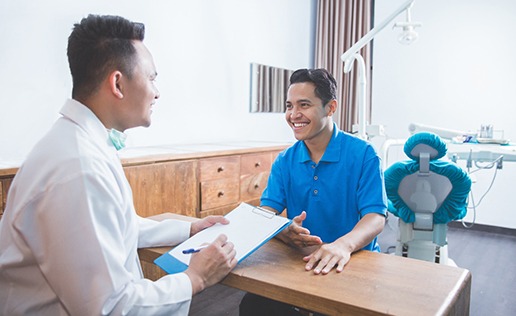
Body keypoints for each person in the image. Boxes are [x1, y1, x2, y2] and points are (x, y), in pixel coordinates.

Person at [0, 14, 237, 315]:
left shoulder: (82, 142)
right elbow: (110, 308)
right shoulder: (79, 167)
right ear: (118, 83)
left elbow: (118, 227)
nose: (157, 91)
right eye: (151, 77)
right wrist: (194, 278)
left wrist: (189, 229)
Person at [239, 68, 387, 315]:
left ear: (330, 108)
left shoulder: (363, 154)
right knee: (252, 307)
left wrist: (342, 246)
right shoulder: (285, 160)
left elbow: (375, 217)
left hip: (353, 262)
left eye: (304, 105)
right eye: (289, 106)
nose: (293, 115)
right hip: (301, 261)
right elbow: (267, 210)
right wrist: (282, 228)